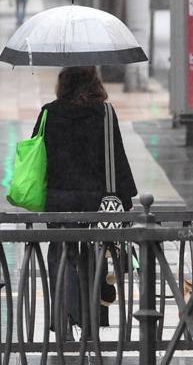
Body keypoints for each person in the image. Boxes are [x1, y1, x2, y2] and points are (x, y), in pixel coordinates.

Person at [31, 66, 138, 337]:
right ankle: (90, 323)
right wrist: (125, 198)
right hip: (97, 200)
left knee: (61, 256)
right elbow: (117, 156)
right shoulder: (104, 113)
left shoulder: (49, 112)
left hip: (60, 197)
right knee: (93, 257)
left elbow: (37, 154)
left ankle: (63, 322)